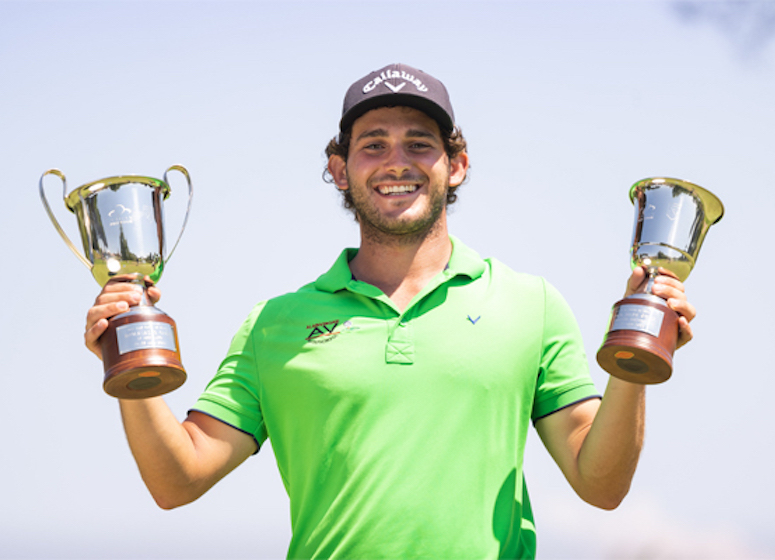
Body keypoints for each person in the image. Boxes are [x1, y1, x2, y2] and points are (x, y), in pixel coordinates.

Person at [84, 63, 696, 559]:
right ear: (339, 171)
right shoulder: (275, 323)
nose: (395, 162)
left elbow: (601, 484)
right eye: (372, 145)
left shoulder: (530, 305)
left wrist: (633, 357)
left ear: (454, 165)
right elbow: (177, 480)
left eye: (419, 144)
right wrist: (129, 362)